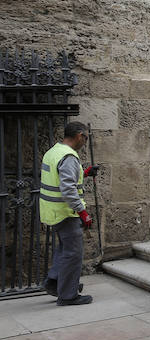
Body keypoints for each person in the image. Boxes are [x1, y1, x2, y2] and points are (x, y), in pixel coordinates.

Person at [40, 121, 97, 306]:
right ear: (80, 135)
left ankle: (54, 283)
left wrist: (86, 172)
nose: (85, 142)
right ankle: (67, 295)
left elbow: (61, 177)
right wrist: (83, 213)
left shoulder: (54, 151)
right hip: (66, 212)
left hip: (53, 211)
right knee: (73, 253)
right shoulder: (69, 157)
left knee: (65, 249)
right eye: (86, 138)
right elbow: (68, 189)